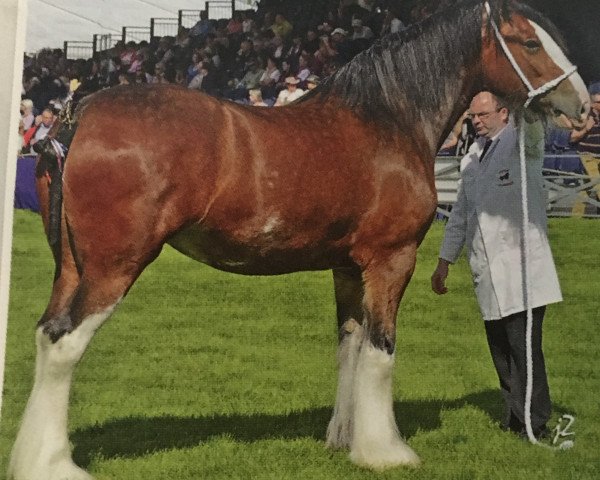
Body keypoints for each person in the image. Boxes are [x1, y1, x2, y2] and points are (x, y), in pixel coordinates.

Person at [431, 91, 561, 439]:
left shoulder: (522, 143)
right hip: (487, 268)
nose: (478, 121)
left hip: (522, 269)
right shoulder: (471, 158)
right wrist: (444, 260)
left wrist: (525, 95)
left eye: (484, 114)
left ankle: (537, 420)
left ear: (504, 113)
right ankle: (516, 417)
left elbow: (533, 125)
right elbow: (460, 213)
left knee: (524, 348)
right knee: (501, 350)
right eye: (473, 116)